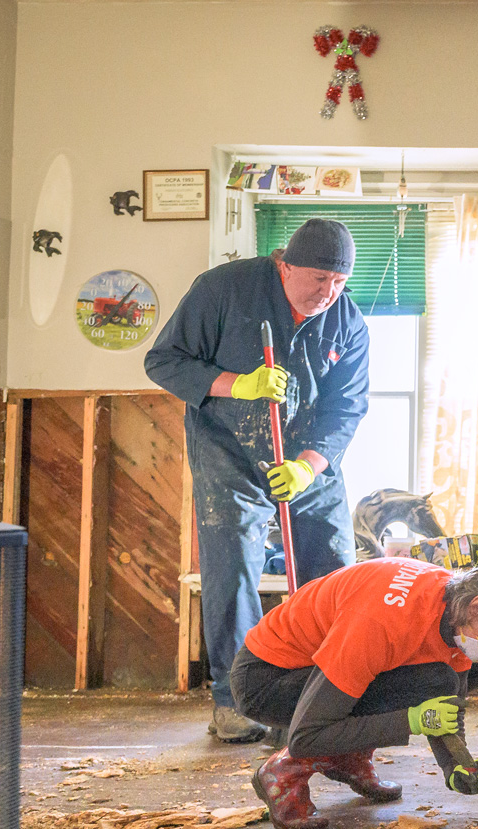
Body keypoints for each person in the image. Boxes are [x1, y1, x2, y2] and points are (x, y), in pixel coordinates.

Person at [146, 218, 370, 744]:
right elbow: (163, 361)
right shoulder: (223, 289)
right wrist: (236, 384)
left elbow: (346, 408)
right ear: (284, 264)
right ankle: (237, 698)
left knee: (334, 569)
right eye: (317, 278)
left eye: (339, 282)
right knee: (233, 566)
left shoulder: (348, 322)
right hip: (229, 448)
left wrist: (306, 467)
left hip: (306, 458)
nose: (327, 293)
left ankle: (330, 692)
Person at [228, 553, 478, 829]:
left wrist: (456, 770)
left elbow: (449, 704)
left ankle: (348, 757)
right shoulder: (384, 622)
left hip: (316, 673)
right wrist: (414, 720)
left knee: (442, 678)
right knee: (429, 680)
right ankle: (283, 771)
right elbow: (306, 735)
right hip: (266, 679)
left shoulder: (455, 608)